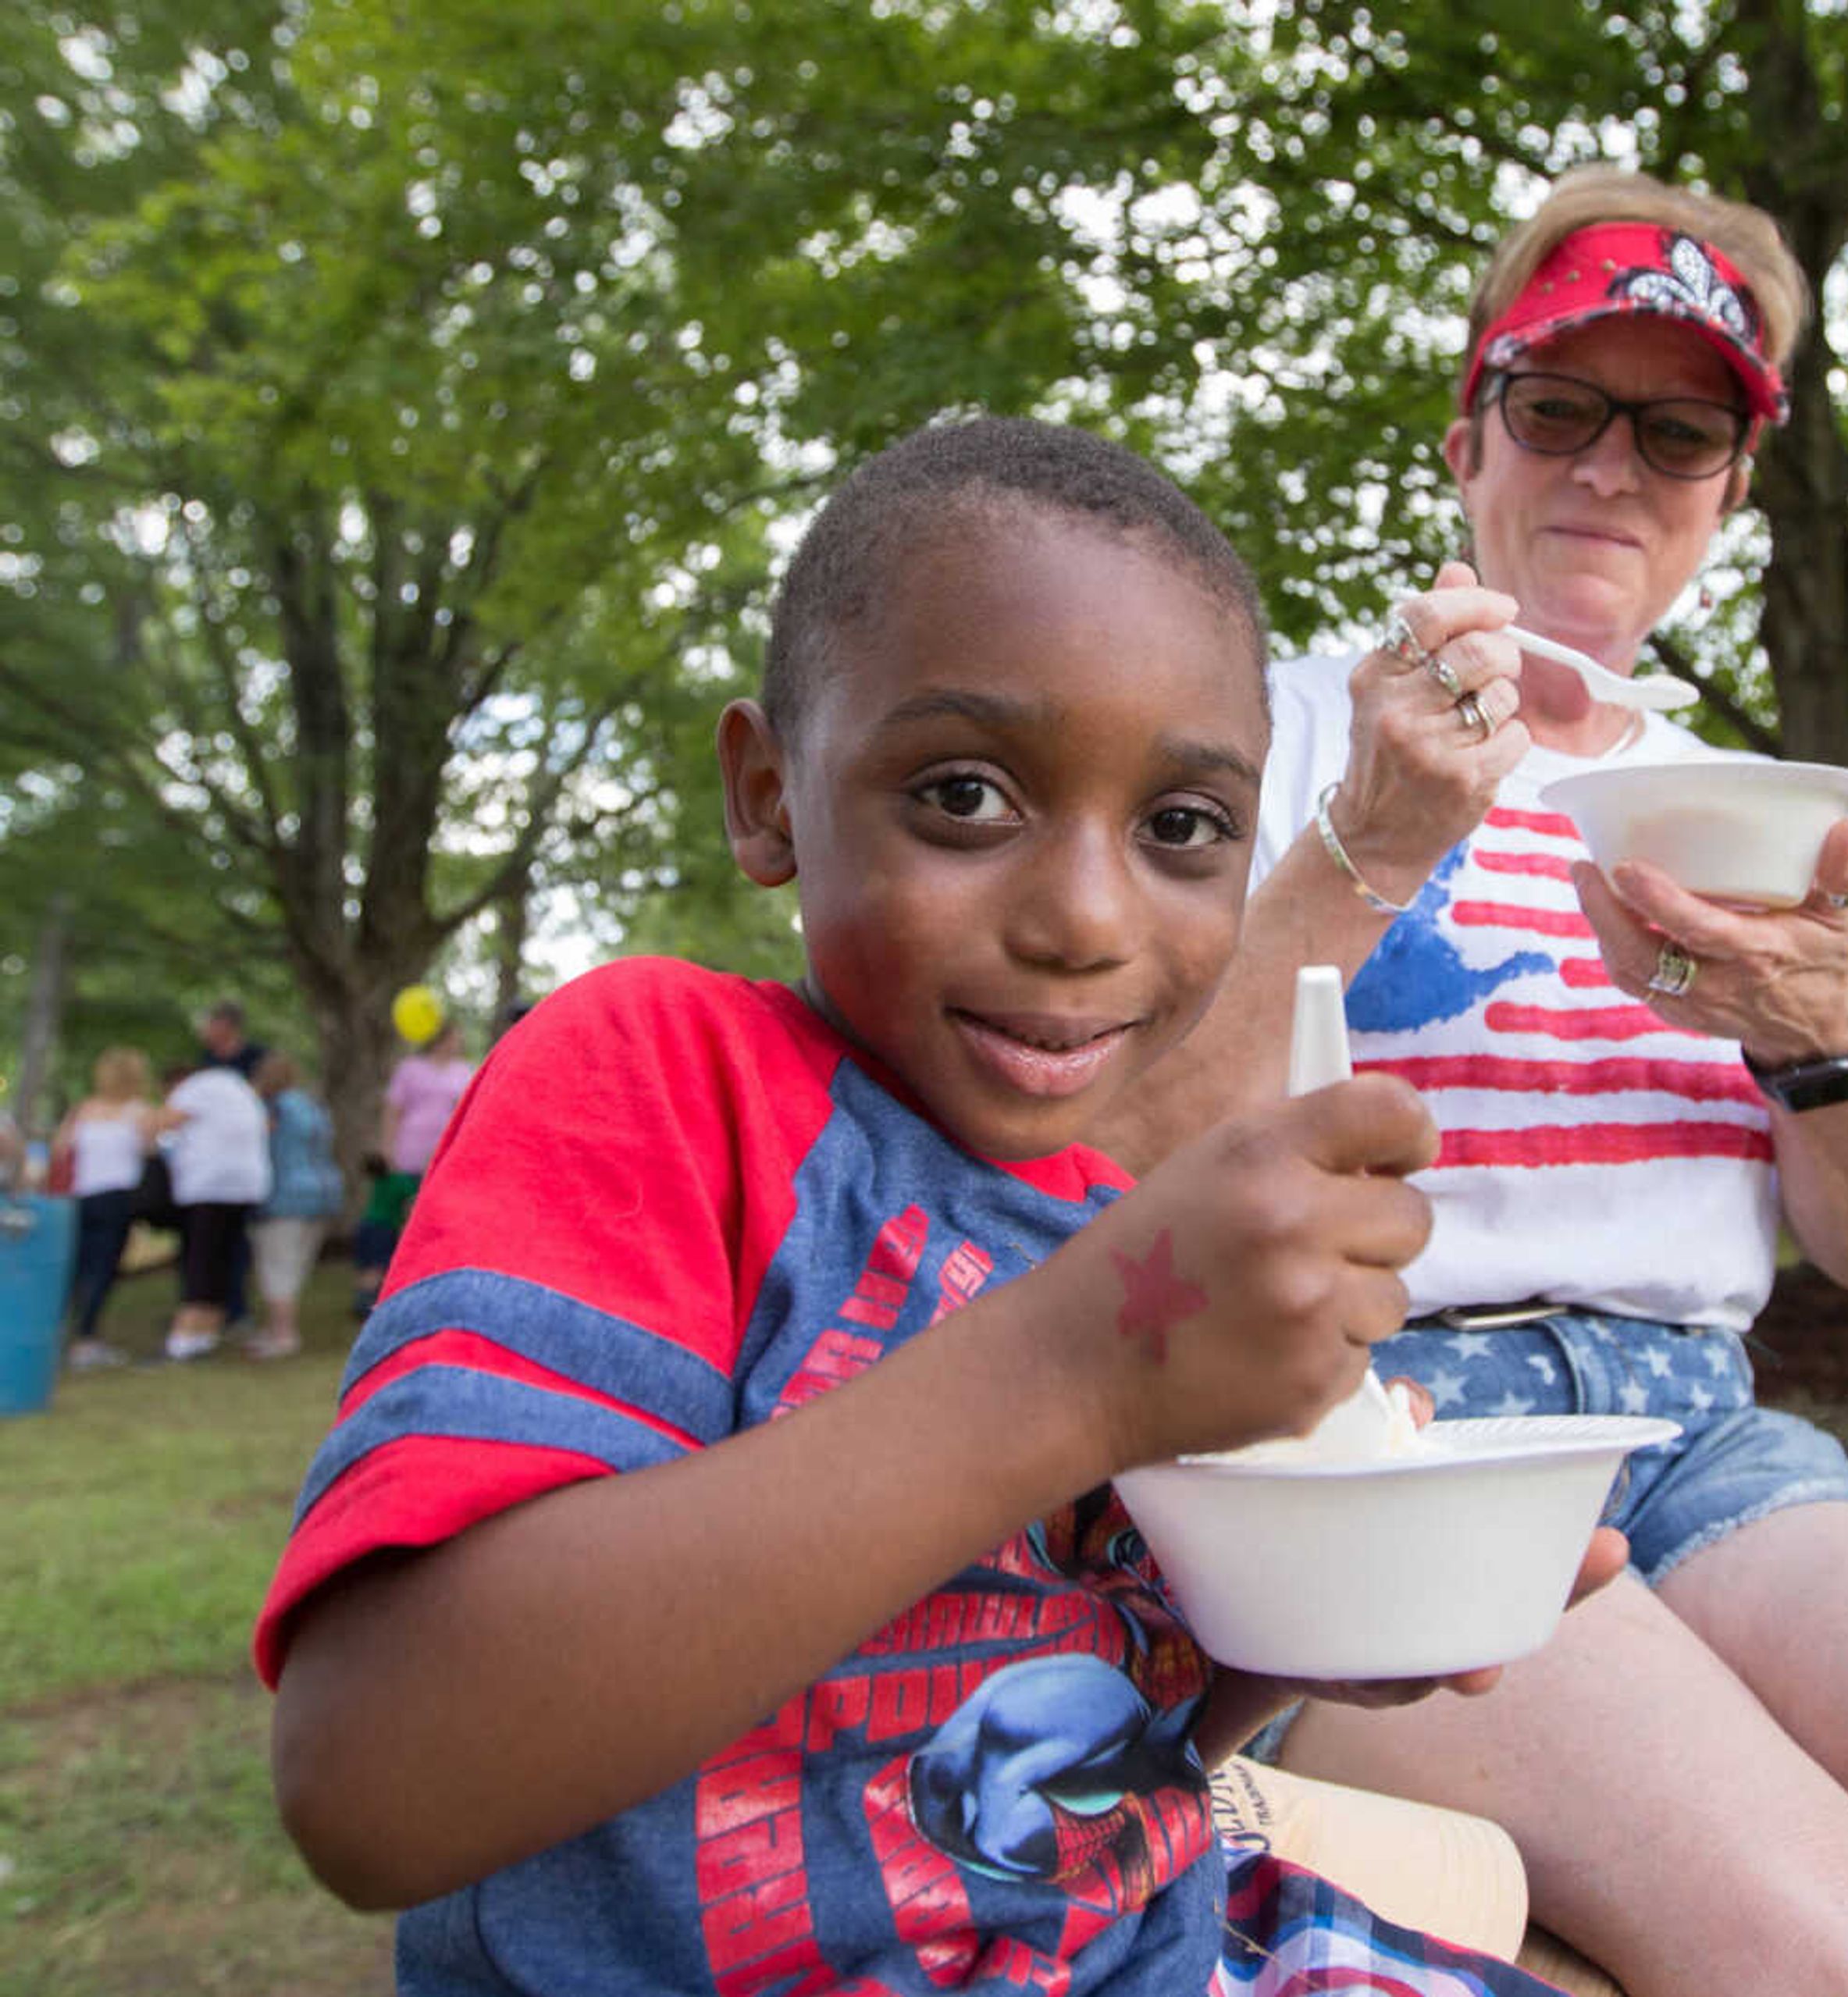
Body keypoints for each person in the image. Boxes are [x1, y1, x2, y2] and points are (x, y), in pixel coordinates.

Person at [1098, 167, 1848, 1997]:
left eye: (1675, 433)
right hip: (1380, 1434)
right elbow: (1106, 1146)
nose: (1608, 467)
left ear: (1727, 498)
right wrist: (1373, 839)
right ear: (1467, 435)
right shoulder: (1266, 730)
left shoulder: (1761, 814)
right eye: (1557, 405)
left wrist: (1814, 1039)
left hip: (1703, 1432)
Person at [258, 418, 1611, 1996]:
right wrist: (1085, 1363)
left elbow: (1072, 1761)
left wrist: (1288, 1629)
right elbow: (376, 1781)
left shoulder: (1114, 1218)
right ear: (769, 795)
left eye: (1184, 828)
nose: (1085, 919)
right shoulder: (662, 1079)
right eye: (965, 794)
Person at [351, 1016, 474, 1314]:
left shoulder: (463, 1071)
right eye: (454, 1036)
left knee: (433, 1217)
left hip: (444, 1153)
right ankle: (379, 1286)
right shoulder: (410, 1069)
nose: (458, 1042)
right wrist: (387, 1148)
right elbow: (393, 1109)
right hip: (409, 1152)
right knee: (392, 1218)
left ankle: (429, 1283)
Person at [154, 1058, 270, 1362]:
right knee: (225, 1262)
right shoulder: (240, 1088)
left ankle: (183, 1336)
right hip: (247, 1185)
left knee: (199, 1261)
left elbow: (163, 1124)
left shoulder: (193, 1089)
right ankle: (207, 1331)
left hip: (207, 1186)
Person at [52, 1048, 157, 1374]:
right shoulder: (140, 1112)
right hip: (117, 1198)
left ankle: (56, 1335)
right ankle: (85, 1338)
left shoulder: (83, 1110)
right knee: (102, 1268)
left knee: (73, 1267)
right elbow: (153, 1150)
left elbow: (60, 1149)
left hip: (80, 1197)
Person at [246, 1052, 343, 1362]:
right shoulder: (311, 1107)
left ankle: (283, 1334)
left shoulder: (271, 1109)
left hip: (284, 1195)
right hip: (322, 1193)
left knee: (277, 1267)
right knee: (295, 1266)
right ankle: (277, 1328)